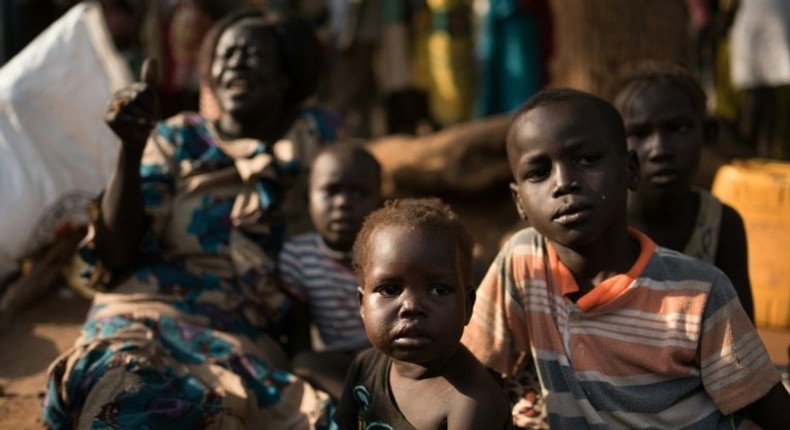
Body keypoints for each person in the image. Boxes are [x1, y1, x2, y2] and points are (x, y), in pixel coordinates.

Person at [43, 7, 337, 429]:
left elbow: (342, 248)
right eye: (225, 54)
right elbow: (114, 252)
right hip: (144, 315)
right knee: (128, 390)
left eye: (252, 54)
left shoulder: (314, 152)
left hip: (242, 339)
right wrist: (129, 150)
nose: (235, 61)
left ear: (286, 75)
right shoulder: (177, 139)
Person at [462, 88, 790, 429]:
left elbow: (767, 407)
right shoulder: (523, 261)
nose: (563, 183)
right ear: (519, 202)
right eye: (538, 172)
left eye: (587, 159)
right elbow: (473, 371)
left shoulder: (698, 291)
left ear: (631, 170)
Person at [335, 198, 511, 429]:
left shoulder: (471, 404)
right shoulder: (365, 366)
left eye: (439, 290)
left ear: (467, 306)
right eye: (390, 290)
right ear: (362, 304)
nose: (411, 306)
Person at [611, 61, 755, 321]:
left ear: (708, 133)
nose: (660, 150)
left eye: (678, 129)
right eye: (639, 134)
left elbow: (743, 337)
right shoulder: (603, 224)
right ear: (614, 143)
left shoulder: (720, 224)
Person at [279, 142, 382, 401]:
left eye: (359, 193)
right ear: (308, 200)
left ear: (379, 201)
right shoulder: (298, 256)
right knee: (305, 363)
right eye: (330, 191)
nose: (344, 203)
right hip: (341, 363)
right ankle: (359, 406)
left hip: (390, 353)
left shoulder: (389, 251)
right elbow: (299, 331)